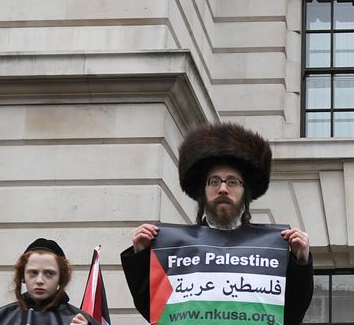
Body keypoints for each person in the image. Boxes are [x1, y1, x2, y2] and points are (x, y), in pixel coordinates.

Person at [121, 122, 314, 325]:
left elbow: (291, 315)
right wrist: (142, 255)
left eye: (232, 182)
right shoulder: (174, 249)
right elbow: (155, 311)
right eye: (214, 181)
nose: (222, 189)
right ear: (203, 192)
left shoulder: (272, 249)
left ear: (245, 192)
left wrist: (300, 262)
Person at [0, 238, 98, 325]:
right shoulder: (0, 318)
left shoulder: (79, 320)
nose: (40, 281)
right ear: (23, 276)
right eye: (33, 273)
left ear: (61, 278)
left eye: (49, 273)